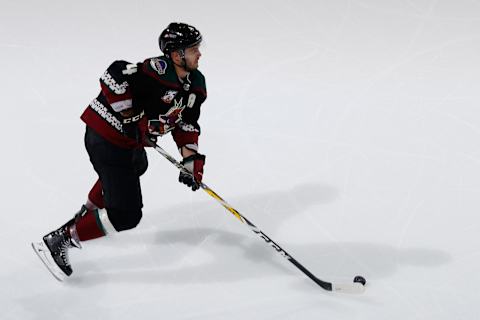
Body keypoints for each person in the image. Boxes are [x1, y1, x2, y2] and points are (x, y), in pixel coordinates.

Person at [32, 22, 207, 281]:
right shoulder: (156, 70)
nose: (199, 54)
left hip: (127, 144)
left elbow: (186, 121)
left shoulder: (195, 84)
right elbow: (113, 74)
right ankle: (61, 239)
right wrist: (131, 114)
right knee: (126, 215)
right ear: (175, 54)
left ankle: (86, 215)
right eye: (193, 49)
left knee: (138, 165)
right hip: (106, 137)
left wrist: (190, 158)